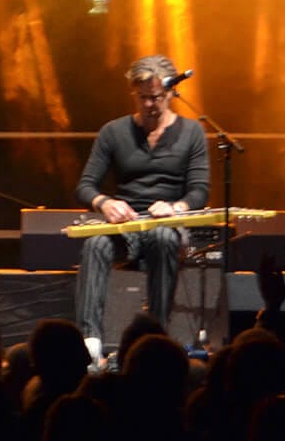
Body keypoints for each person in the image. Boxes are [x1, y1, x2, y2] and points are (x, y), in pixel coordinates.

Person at [73, 55, 210, 364]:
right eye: (144, 97)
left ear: (171, 93)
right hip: (127, 227)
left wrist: (176, 206)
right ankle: (90, 341)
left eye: (157, 97)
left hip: (167, 226)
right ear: (134, 94)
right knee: (95, 244)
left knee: (162, 239)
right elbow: (85, 186)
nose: (150, 104)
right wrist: (105, 202)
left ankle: (156, 336)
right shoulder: (113, 132)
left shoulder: (192, 133)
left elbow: (200, 190)